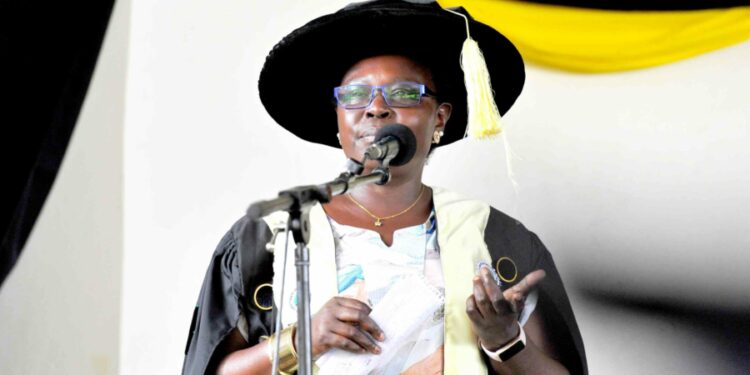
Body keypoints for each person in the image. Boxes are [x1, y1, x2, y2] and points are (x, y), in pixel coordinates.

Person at [182, 1, 587, 374]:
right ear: (338, 119)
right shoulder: (270, 238)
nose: (376, 107)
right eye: (356, 95)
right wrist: (299, 340)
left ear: (440, 119)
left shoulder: (495, 239)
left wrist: (504, 340)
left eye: (404, 94)